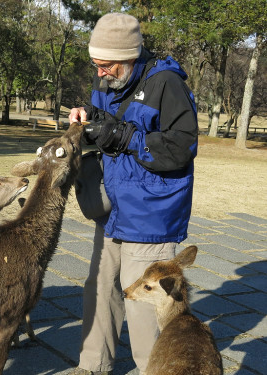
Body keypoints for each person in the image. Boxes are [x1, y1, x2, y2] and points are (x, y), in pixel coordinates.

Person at [68, 12, 198, 375]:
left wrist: (125, 137)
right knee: (100, 287)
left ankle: (152, 370)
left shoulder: (168, 84)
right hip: (113, 205)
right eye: (95, 64)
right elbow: (107, 117)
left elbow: (182, 146)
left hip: (151, 214)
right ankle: (92, 364)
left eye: (105, 65)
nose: (99, 73)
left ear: (128, 56)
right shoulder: (110, 79)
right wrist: (88, 114)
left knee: (144, 303)